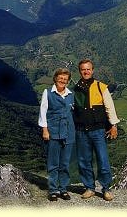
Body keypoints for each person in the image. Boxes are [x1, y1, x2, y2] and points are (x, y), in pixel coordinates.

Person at [73, 59, 120, 201]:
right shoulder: (76, 89)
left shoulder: (101, 87)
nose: (86, 71)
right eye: (83, 69)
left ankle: (106, 189)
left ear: (92, 70)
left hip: (98, 130)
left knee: (103, 160)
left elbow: (109, 107)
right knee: (84, 161)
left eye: (88, 69)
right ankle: (89, 188)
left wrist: (113, 125)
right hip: (81, 131)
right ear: (79, 71)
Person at [38, 68, 75, 202]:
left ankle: (63, 189)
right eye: (60, 78)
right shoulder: (48, 93)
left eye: (65, 79)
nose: (62, 81)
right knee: (53, 163)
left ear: (68, 81)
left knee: (64, 163)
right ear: (55, 78)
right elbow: (43, 112)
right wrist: (45, 130)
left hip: (68, 133)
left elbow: (75, 113)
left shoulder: (71, 94)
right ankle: (53, 190)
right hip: (53, 132)